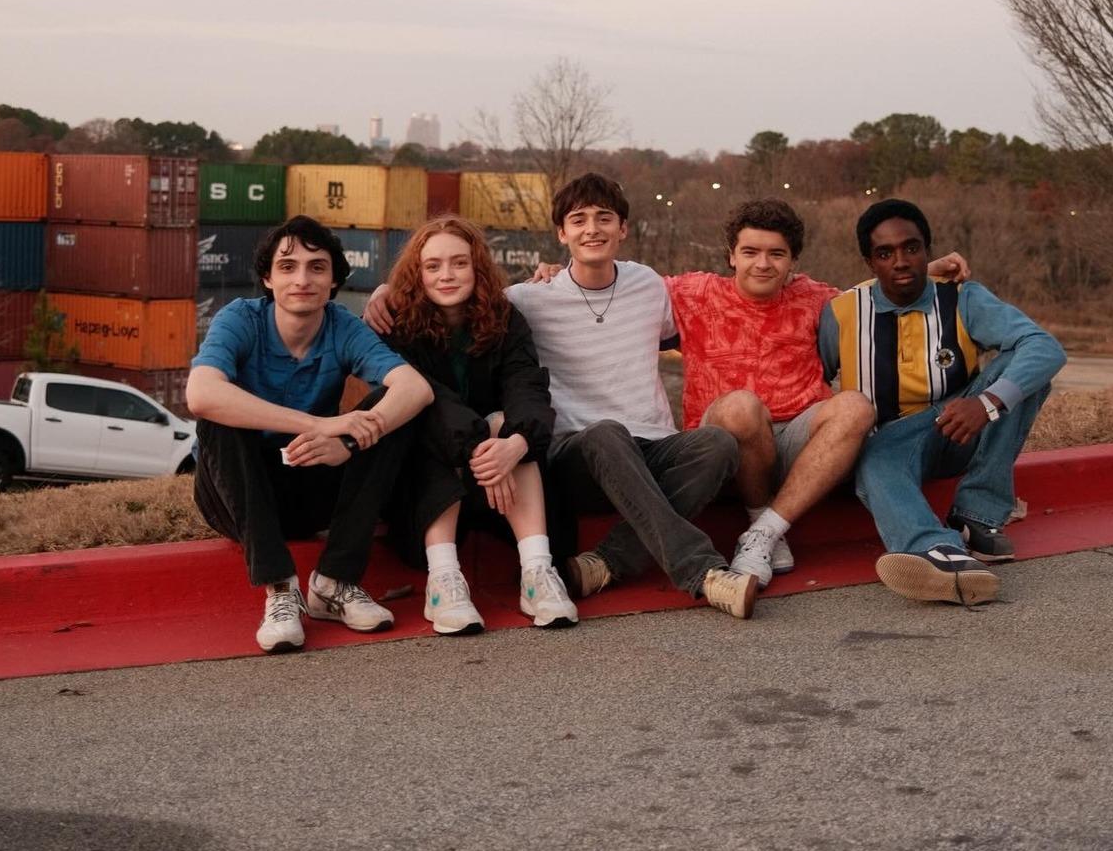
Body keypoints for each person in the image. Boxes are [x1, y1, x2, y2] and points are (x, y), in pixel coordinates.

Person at [366, 174, 756, 619]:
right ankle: (703, 571)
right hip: (579, 456)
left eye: (604, 218)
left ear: (623, 229)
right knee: (607, 433)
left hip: (651, 448)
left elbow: (718, 304)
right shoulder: (530, 299)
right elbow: (455, 292)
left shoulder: (649, 284)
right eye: (579, 220)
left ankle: (603, 563)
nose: (592, 229)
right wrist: (386, 292)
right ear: (561, 233)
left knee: (717, 443)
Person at [536, 197, 965, 591]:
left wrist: (927, 268)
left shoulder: (814, 297)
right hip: (725, 443)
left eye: (776, 254)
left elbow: (869, 296)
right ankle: (758, 513)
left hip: (797, 441)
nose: (762, 264)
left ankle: (764, 533)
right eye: (750, 252)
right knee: (742, 405)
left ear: (793, 261)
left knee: (855, 406)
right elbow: (611, 284)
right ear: (731, 256)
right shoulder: (692, 293)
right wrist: (559, 274)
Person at [187, 215, 432, 653]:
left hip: (310, 485)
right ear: (267, 278)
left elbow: (415, 388)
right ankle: (281, 589)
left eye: (317, 267)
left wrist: (348, 440)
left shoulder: (342, 327)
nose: (302, 279)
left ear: (334, 279)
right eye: (288, 267)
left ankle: (334, 583)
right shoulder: (240, 319)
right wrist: (318, 424)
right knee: (220, 414)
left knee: (389, 412)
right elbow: (201, 394)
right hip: (234, 494)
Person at [818, 198, 1066, 605]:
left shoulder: (962, 298)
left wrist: (986, 402)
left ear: (927, 251)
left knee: (1025, 368)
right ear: (869, 263)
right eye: (885, 253)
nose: (901, 261)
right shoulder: (843, 313)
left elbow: (1045, 347)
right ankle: (937, 552)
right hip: (888, 446)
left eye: (911, 248)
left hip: (959, 429)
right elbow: (811, 381)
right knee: (874, 458)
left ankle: (976, 515)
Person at [381, 215, 578, 635]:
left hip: (502, 486)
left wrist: (515, 443)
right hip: (427, 487)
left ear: (478, 267)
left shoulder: (505, 319)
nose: (447, 275)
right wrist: (480, 443)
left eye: (459, 263)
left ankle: (537, 573)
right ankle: (443, 580)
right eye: (433, 266)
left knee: (510, 422)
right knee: (424, 423)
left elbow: (527, 387)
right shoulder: (399, 327)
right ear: (417, 273)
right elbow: (429, 398)